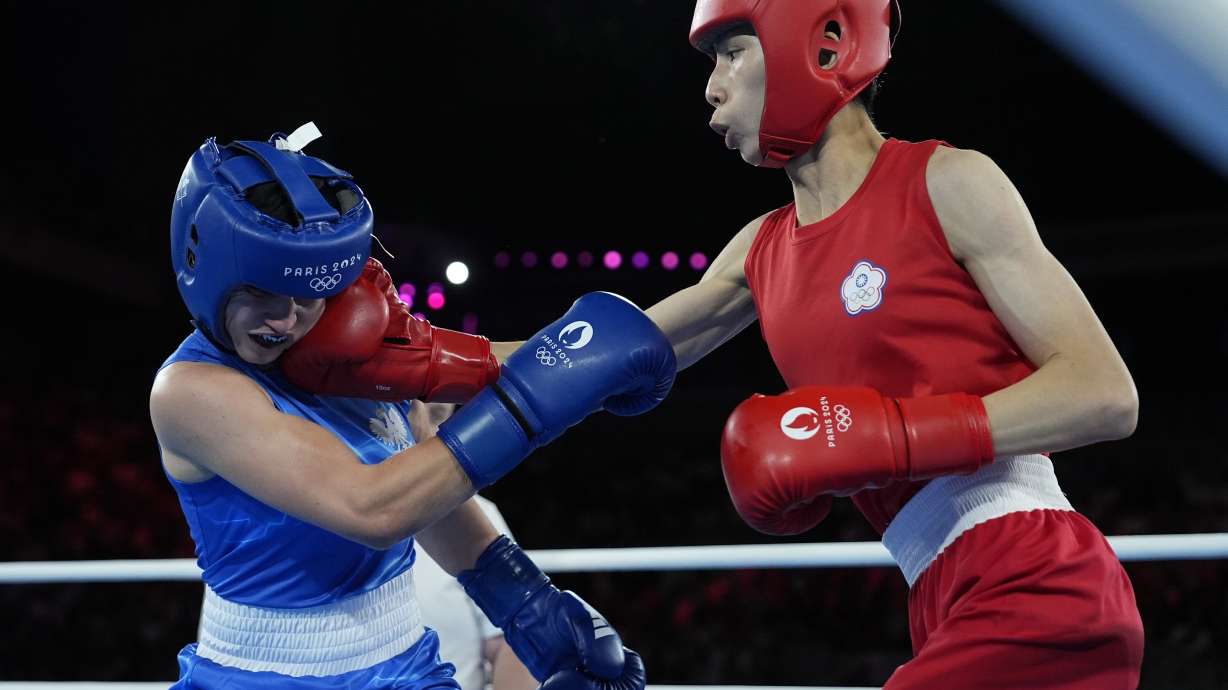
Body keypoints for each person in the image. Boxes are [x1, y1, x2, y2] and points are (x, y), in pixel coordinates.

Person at [639, 2, 1145, 687]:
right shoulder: (760, 250)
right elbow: (603, 359)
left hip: (1037, 581)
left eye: (732, 53)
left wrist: (892, 435)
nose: (712, 87)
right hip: (940, 591)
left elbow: (1105, 393)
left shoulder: (947, 182)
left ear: (820, 46)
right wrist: (457, 360)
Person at [150, 124, 672, 689]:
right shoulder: (192, 391)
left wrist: (526, 600)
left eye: (306, 294)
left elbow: (429, 492)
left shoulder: (347, 351)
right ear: (208, 273)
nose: (286, 320)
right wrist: (527, 405)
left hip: (407, 663)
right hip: (264, 676)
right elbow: (375, 508)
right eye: (261, 293)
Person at [407, 403, 537, 690]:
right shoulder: (327, 508)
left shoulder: (481, 515)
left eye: (438, 417)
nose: (424, 429)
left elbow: (511, 642)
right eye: (410, 407)